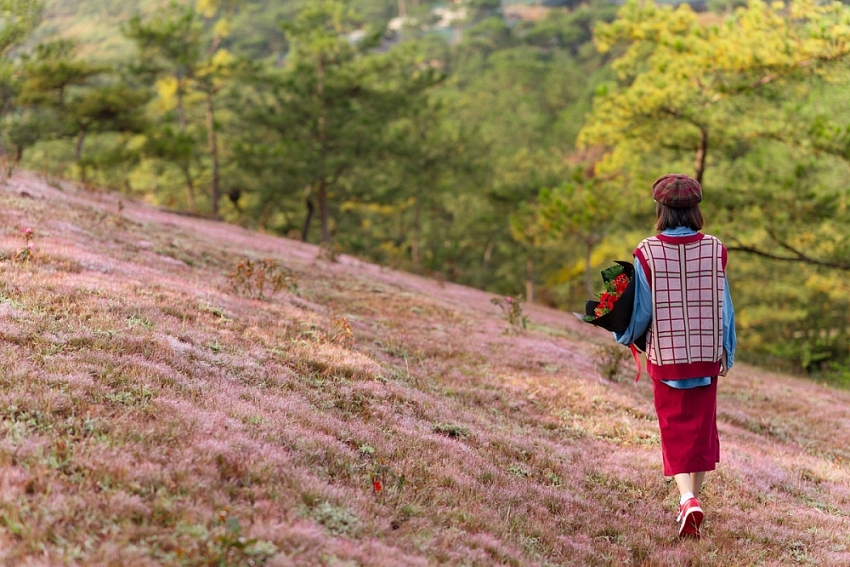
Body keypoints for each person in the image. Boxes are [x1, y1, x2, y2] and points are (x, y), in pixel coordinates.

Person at [614, 173, 736, 540]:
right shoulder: (716, 248)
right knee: (699, 431)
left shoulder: (646, 252)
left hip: (666, 357)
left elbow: (641, 311)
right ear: (695, 210)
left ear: (661, 209)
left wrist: (623, 334)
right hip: (705, 356)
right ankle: (692, 501)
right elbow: (725, 305)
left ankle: (686, 499)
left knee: (674, 430)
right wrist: (727, 350)